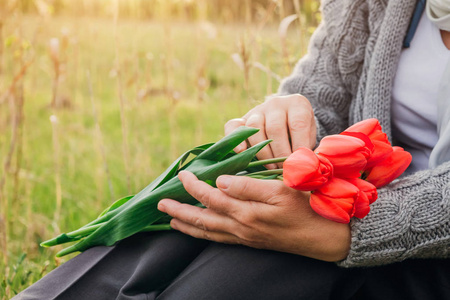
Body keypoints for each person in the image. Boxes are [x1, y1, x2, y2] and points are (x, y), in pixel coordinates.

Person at [14, 0, 450, 299]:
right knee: (198, 210)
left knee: (263, 255)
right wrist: (284, 121)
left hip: (425, 246)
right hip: (355, 199)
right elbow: (325, 90)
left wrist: (351, 232)